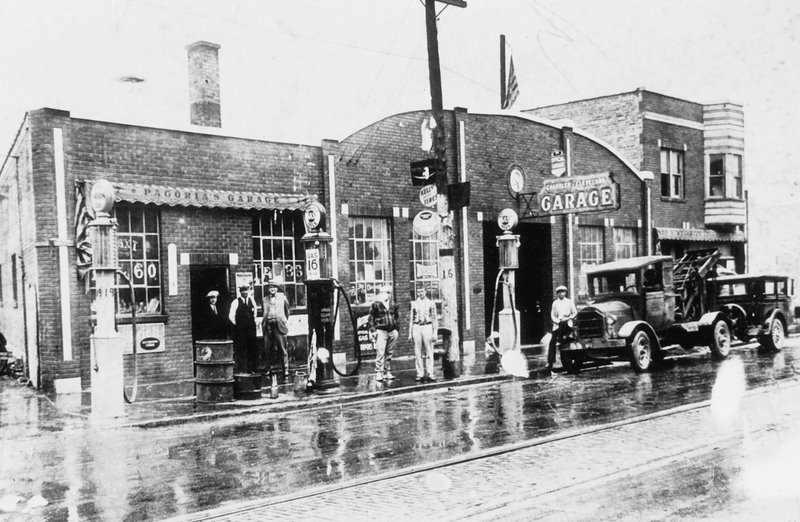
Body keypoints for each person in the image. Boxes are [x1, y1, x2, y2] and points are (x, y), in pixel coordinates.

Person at [368, 285, 399, 382]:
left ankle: (387, 372)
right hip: (381, 330)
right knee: (380, 353)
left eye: (389, 292)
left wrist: (396, 329)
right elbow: (371, 318)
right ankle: (379, 372)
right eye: (385, 292)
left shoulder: (393, 304)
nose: (387, 295)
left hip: (392, 331)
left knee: (389, 352)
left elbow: (397, 316)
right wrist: (373, 331)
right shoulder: (376, 304)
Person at [261, 280, 291, 378]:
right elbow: (263, 311)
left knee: (282, 348)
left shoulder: (283, 298)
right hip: (268, 326)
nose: (272, 289)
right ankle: (268, 369)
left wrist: (282, 320)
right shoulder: (264, 299)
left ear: (277, 288)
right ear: (268, 289)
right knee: (267, 349)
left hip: (279, 326)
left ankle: (285, 369)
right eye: (270, 287)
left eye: (274, 287)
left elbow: (287, 311)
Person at [409, 286, 438, 382]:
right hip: (417, 327)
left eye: (422, 291)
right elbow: (411, 319)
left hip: (427, 326)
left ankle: (430, 373)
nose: (420, 293)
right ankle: (420, 373)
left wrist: (435, 332)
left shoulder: (431, 303)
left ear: (425, 292)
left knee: (429, 351)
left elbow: (434, 318)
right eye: (418, 292)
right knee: (417, 352)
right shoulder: (414, 303)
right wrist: (410, 333)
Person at [547, 284, 578, 371]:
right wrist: (557, 321)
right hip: (558, 324)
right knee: (552, 342)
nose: (561, 294)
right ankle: (550, 361)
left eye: (563, 292)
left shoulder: (569, 302)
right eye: (559, 292)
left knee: (571, 339)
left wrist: (569, 318)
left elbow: (575, 312)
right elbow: (552, 315)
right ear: (557, 294)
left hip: (568, 323)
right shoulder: (555, 303)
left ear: (565, 293)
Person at [228, 285, 258, 373]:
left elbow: (255, 313)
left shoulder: (252, 300)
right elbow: (231, 316)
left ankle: (251, 369)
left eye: (246, 290)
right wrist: (238, 325)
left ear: (248, 291)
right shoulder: (236, 302)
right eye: (242, 291)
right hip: (240, 330)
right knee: (241, 349)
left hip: (251, 329)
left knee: (252, 348)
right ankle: (242, 369)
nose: (244, 292)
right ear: (240, 292)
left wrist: (252, 322)